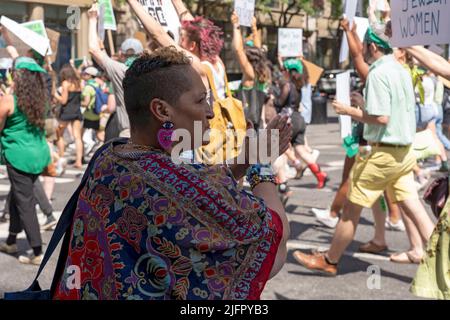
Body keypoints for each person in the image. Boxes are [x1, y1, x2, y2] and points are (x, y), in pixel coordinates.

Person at [52, 47, 291, 300]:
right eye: (200, 100)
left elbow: (199, 187)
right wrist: (260, 165)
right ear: (162, 111)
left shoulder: (109, 157)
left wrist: (243, 161)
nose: (210, 111)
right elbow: (275, 240)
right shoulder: (177, 187)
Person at [292, 28, 435, 275]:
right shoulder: (401, 70)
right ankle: (443, 257)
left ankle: (330, 260)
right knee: (414, 207)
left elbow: (381, 117)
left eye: (366, 45)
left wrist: (349, 111)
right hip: (403, 153)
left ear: (372, 46)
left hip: (383, 153)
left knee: (351, 209)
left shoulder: (379, 73)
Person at [0, 57, 51, 265]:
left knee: (25, 202)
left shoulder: (10, 100)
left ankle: (37, 251)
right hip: (38, 154)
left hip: (18, 155)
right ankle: (11, 240)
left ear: (18, 76)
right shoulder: (41, 100)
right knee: (17, 195)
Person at [88, 4, 143, 141]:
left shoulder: (121, 70)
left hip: (128, 135)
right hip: (151, 137)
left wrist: (92, 20)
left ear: (121, 55)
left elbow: (93, 50)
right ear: (142, 54)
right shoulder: (152, 70)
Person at [274, 58, 328, 189]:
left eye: (283, 70)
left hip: (289, 119)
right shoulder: (299, 85)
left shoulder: (287, 85)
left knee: (279, 150)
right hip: (299, 119)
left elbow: (279, 103)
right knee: (301, 150)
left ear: (287, 71)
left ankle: (281, 182)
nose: (282, 72)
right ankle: (320, 174)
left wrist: (272, 97)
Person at [231, 11, 271, 130]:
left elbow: (238, 50)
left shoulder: (250, 73)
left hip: (246, 123)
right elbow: (258, 49)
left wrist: (236, 26)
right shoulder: (262, 70)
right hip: (256, 121)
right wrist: (254, 28)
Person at [54, 64, 84, 169]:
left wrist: (55, 94)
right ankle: (79, 161)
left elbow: (63, 100)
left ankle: (61, 158)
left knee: (59, 135)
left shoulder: (65, 83)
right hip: (76, 111)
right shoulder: (79, 83)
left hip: (66, 112)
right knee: (77, 137)